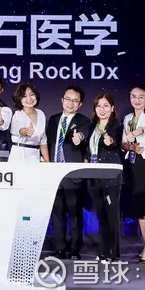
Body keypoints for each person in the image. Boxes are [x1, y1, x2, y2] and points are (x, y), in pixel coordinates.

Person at [46, 86, 90, 259]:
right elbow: (48, 142)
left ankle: (74, 248)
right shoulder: (53, 119)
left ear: (80, 104)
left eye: (75, 101)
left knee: (74, 212)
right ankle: (60, 247)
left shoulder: (84, 121)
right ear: (62, 100)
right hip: (54, 171)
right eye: (68, 99)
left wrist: (79, 137)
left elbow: (83, 134)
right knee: (57, 212)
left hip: (73, 173)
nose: (71, 103)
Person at [122, 85, 145, 263]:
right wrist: (131, 146)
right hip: (134, 162)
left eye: (141, 97)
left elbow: (144, 129)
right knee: (140, 207)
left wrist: (135, 133)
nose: (136, 100)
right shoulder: (127, 118)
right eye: (133, 96)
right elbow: (124, 143)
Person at [87, 93, 123, 262]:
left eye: (106, 106)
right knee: (101, 215)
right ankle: (103, 251)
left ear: (112, 108)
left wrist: (110, 141)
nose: (102, 109)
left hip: (110, 176)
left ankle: (112, 253)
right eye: (99, 106)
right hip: (94, 176)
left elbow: (115, 143)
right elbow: (88, 149)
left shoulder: (116, 126)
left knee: (111, 216)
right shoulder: (92, 126)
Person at [8, 83, 48, 162]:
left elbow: (43, 142)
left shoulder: (41, 114)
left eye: (31, 94)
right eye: (24, 96)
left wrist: (48, 163)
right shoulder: (17, 115)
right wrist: (26, 131)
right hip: (19, 156)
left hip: (35, 156)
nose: (29, 99)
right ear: (19, 99)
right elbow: (20, 130)